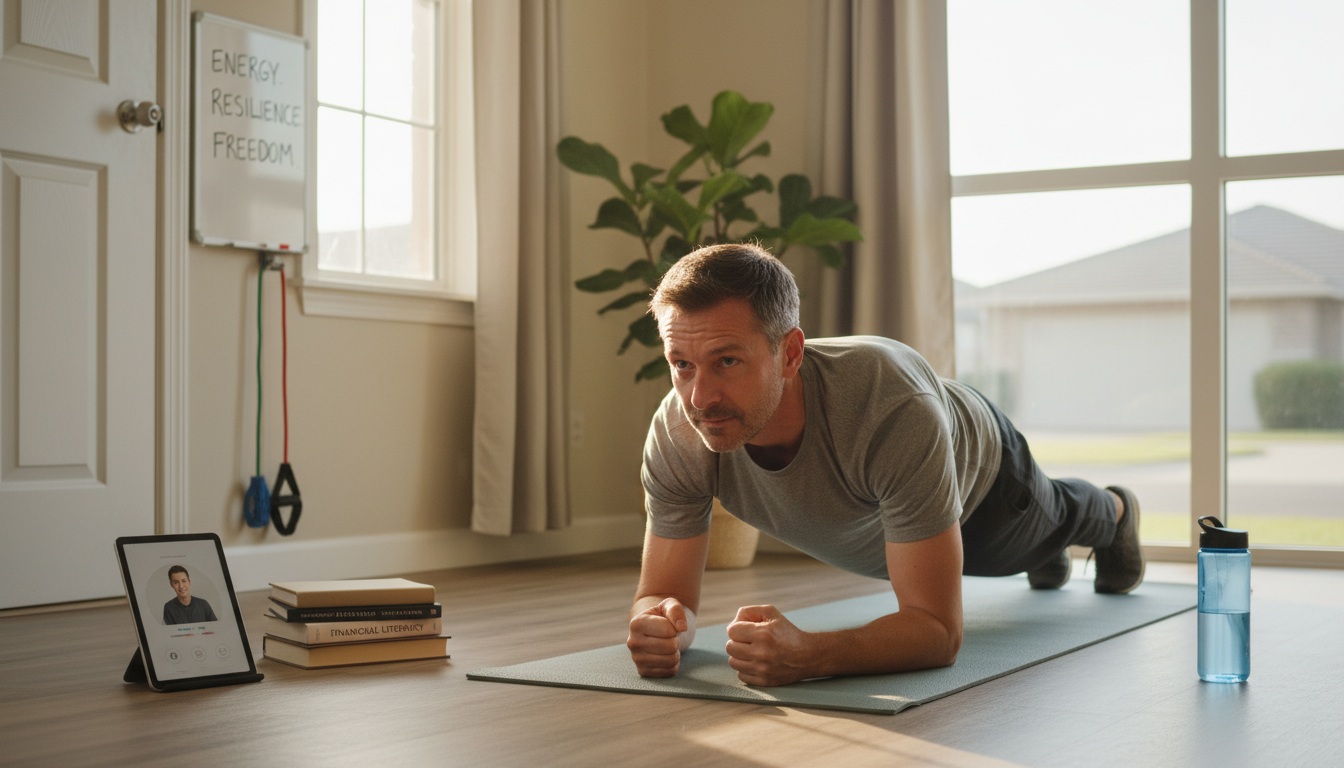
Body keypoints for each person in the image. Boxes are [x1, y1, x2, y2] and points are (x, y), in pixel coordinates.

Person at [627, 242, 1145, 687]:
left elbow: (937, 633)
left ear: (789, 354)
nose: (699, 398)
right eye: (682, 365)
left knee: (1050, 522)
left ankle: (1116, 511)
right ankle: (1042, 552)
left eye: (727, 361)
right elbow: (663, 595)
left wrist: (808, 653)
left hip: (985, 487)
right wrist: (659, 623)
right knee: (1025, 548)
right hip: (883, 520)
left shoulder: (889, 406)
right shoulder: (679, 434)